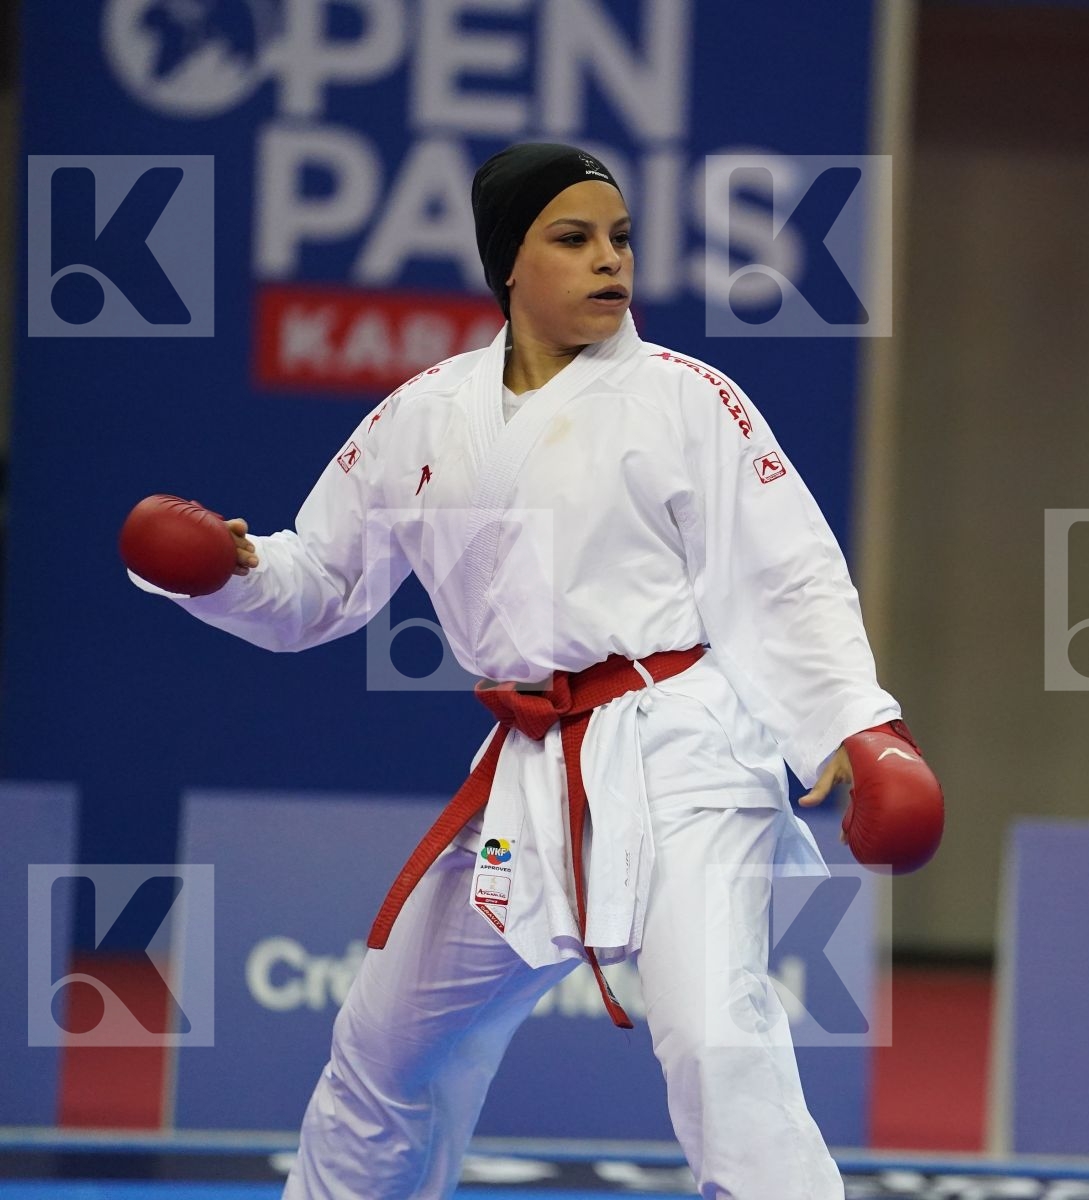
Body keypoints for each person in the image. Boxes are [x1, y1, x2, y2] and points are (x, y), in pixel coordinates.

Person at [129, 143, 942, 1200]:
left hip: (684, 752)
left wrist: (860, 729)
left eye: (620, 239)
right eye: (574, 239)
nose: (610, 260)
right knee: (384, 1047)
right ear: (508, 262)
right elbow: (318, 579)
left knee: (716, 1044)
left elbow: (788, 574)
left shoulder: (688, 398)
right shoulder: (425, 415)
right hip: (531, 774)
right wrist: (228, 571)